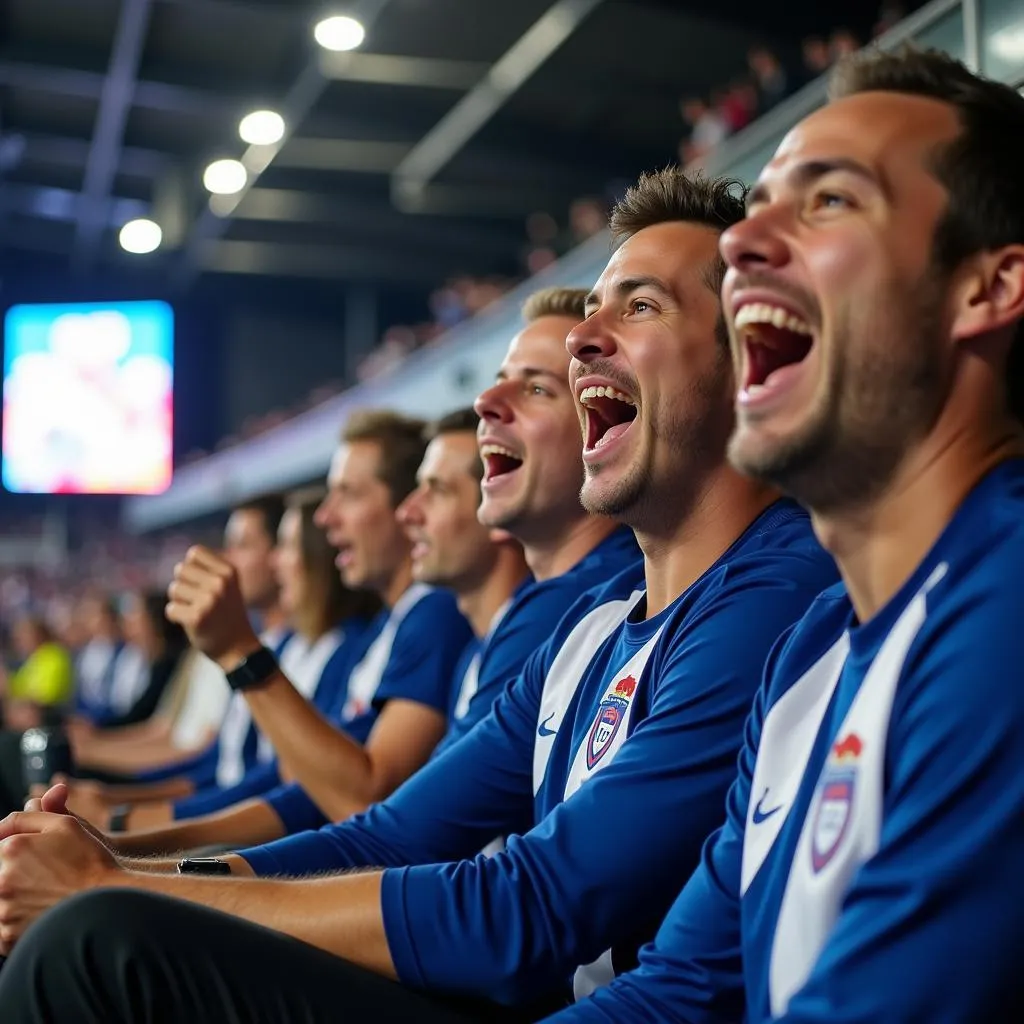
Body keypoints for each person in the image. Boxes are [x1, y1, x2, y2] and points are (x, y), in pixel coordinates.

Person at [0, 169, 837, 1022]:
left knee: (98, 946)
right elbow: (388, 832)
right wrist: (129, 867)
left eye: (641, 306)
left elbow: (522, 902)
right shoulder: (590, 628)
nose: (584, 338)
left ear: (753, 363)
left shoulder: (780, 597)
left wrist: (129, 880)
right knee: (96, 925)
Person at [539, 48, 1024, 1022]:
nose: (741, 243)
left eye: (829, 201)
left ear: (987, 288)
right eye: (757, 206)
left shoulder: (1006, 606)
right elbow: (677, 992)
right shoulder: (810, 645)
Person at [95, 290, 641, 857]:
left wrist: (242, 656)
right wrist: (131, 841)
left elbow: (379, 811)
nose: (410, 514)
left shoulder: (531, 614)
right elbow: (321, 797)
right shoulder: (506, 625)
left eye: (536, 387)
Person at [58, 492, 383, 833]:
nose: (275, 562)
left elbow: (288, 781)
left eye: (285, 547)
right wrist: (121, 801)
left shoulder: (344, 648)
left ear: (320, 557)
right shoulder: (287, 647)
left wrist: (130, 817)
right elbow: (222, 765)